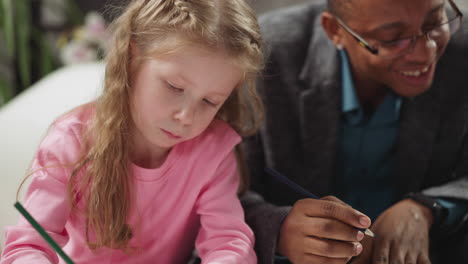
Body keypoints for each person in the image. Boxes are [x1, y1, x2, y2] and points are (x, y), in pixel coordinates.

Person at [1, 0, 264, 263]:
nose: (186, 116)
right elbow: (28, 247)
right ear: (132, 56)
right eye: (174, 87)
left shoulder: (213, 150)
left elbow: (227, 242)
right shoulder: (70, 142)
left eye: (210, 101)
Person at [241, 0, 468, 263]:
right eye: (393, 39)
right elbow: (217, 191)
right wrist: (278, 228)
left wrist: (429, 207)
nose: (425, 53)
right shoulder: (263, 57)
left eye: (434, 22)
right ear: (335, 30)